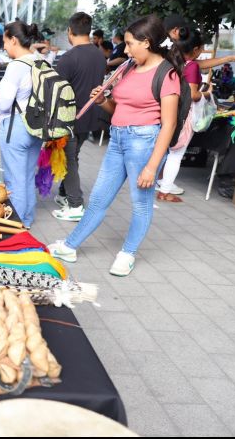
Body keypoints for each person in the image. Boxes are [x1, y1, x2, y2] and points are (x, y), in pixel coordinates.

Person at [48, 14, 181, 277]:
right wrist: (102, 101)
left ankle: (127, 253)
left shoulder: (167, 74)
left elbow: (169, 124)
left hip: (144, 142)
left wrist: (152, 166)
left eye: (130, 44)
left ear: (147, 42)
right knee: (99, 198)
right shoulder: (129, 67)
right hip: (118, 138)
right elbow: (118, 109)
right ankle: (70, 246)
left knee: (140, 203)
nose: (126, 50)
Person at [52, 12, 107, 222]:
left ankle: (75, 204)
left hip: (70, 119)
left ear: (70, 31)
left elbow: (55, 92)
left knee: (69, 160)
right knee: (73, 156)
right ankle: (64, 194)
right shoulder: (99, 55)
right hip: (90, 116)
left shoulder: (68, 58)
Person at [0, 20, 45, 228]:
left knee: (14, 179)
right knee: (27, 175)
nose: (4, 46)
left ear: (14, 40)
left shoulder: (16, 66)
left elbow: (4, 104)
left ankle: (17, 223)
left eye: (5, 41)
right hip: (37, 126)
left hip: (15, 127)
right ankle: (27, 219)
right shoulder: (40, 61)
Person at [156, 27, 213, 202]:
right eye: (202, 48)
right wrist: (207, 93)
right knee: (176, 153)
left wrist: (231, 58)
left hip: (166, 110)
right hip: (183, 114)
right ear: (195, 49)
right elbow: (193, 95)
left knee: (163, 149)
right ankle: (165, 190)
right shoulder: (192, 66)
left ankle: (159, 182)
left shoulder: (171, 60)